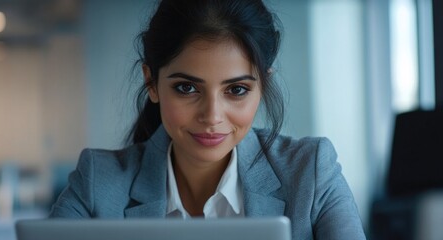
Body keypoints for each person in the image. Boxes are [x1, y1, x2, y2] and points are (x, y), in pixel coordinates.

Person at [49, 0, 366, 239]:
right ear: (151, 83)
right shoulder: (97, 182)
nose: (212, 116)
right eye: (186, 88)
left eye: (237, 89)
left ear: (262, 85)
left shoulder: (310, 173)